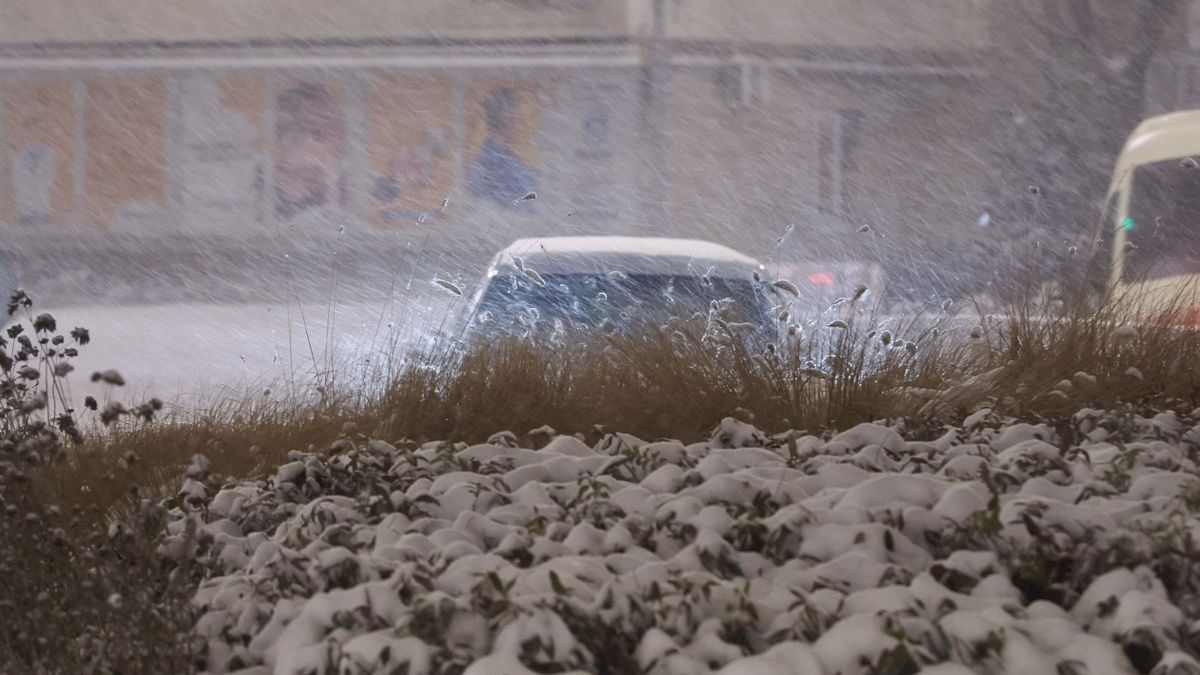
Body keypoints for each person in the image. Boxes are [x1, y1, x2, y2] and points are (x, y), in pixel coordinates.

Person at [468, 88, 536, 210]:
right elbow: (518, 206)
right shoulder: (493, 163)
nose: (522, 126)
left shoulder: (500, 157)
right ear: (505, 124)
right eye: (517, 120)